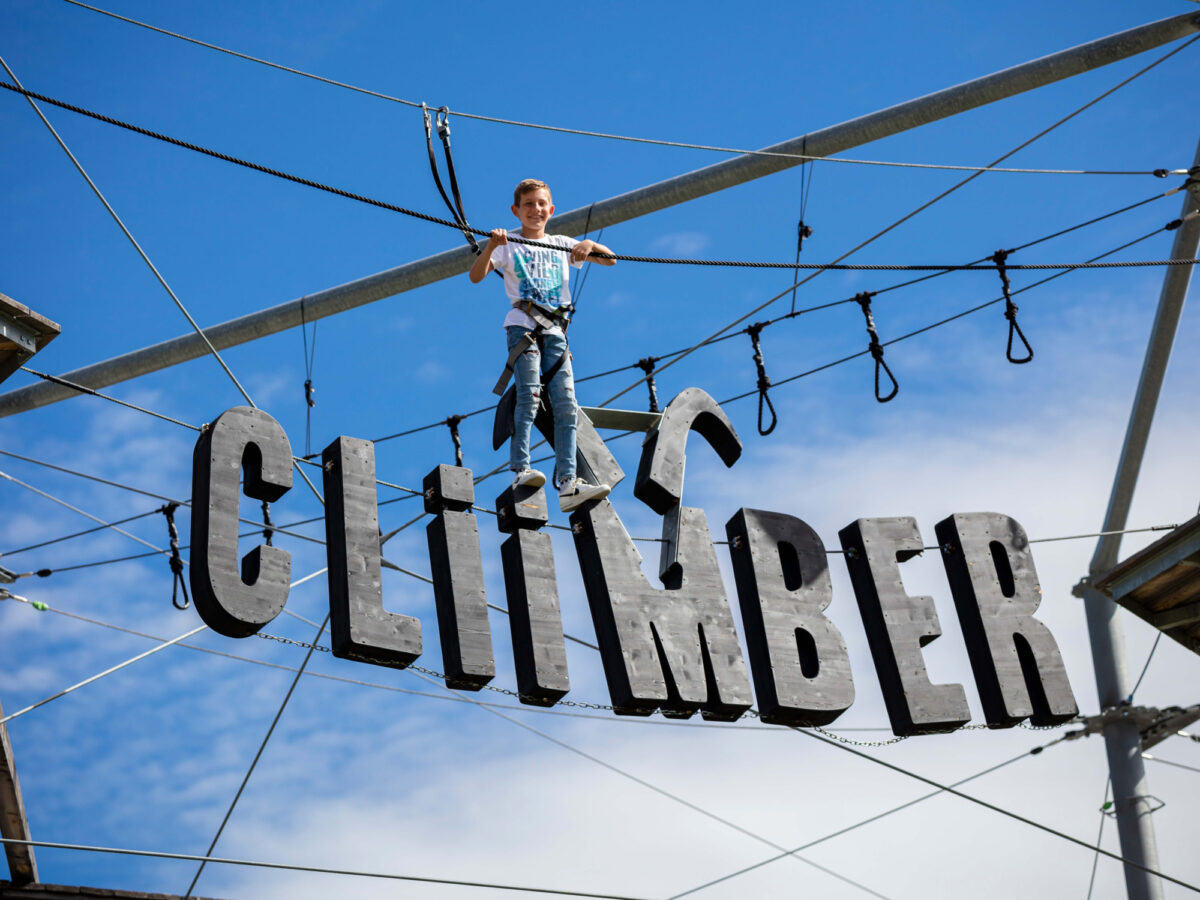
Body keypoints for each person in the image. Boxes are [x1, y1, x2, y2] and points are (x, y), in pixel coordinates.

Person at [468, 178, 617, 512]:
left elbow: (611, 261)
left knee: (566, 406)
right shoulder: (508, 244)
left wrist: (588, 244)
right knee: (530, 397)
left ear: (551, 209)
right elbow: (475, 276)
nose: (535, 210)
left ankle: (568, 482)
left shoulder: (562, 243)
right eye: (528, 205)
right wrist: (491, 246)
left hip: (557, 333)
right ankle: (521, 469)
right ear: (516, 211)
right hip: (524, 327)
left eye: (541, 204)